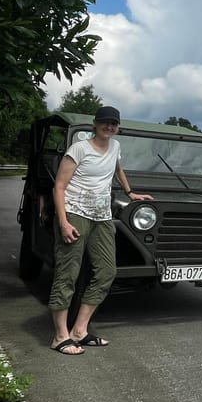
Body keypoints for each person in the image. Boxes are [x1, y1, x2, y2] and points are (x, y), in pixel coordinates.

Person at [48, 106, 153, 355]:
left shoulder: (115, 147)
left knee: (107, 272)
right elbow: (59, 187)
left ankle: (79, 331)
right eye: (104, 122)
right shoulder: (79, 149)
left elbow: (117, 169)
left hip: (102, 217)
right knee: (67, 274)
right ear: (94, 124)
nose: (109, 126)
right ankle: (60, 336)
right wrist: (63, 222)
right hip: (75, 214)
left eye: (113, 123)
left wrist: (130, 192)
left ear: (117, 127)